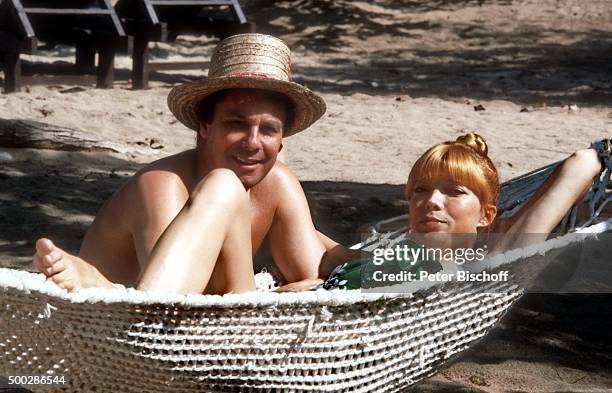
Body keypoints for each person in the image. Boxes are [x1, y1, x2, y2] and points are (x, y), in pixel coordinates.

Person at [33, 33, 348, 295]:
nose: (252, 143)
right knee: (223, 185)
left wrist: (386, 255)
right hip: (135, 330)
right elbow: (180, 305)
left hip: (222, 330)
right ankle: (97, 283)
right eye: (236, 124)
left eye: (268, 130)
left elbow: (317, 275)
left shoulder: (276, 183)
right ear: (205, 127)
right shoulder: (163, 184)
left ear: (281, 141)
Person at [321, 132, 603, 290]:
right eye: (420, 190)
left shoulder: (501, 254)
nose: (430, 201)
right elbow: (348, 260)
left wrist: (604, 152)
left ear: (486, 216)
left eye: (454, 192)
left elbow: (582, 163)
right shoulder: (404, 246)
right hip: (336, 277)